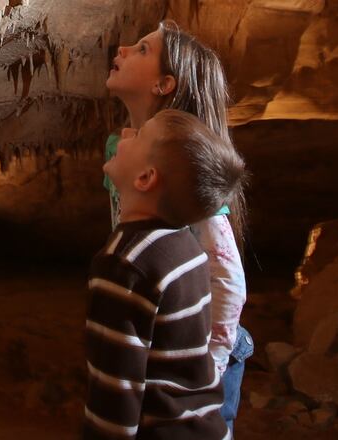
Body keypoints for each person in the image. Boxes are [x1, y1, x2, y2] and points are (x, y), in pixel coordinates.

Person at [103, 20, 253, 432]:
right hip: (169, 343)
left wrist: (207, 370)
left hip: (203, 353)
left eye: (143, 50)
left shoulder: (184, 162)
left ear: (164, 85)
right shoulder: (123, 147)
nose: (123, 48)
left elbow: (227, 276)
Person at [85, 109, 246, 439]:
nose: (125, 135)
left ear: (146, 177)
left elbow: (116, 387)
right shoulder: (187, 249)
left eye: (139, 135)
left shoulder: (124, 264)